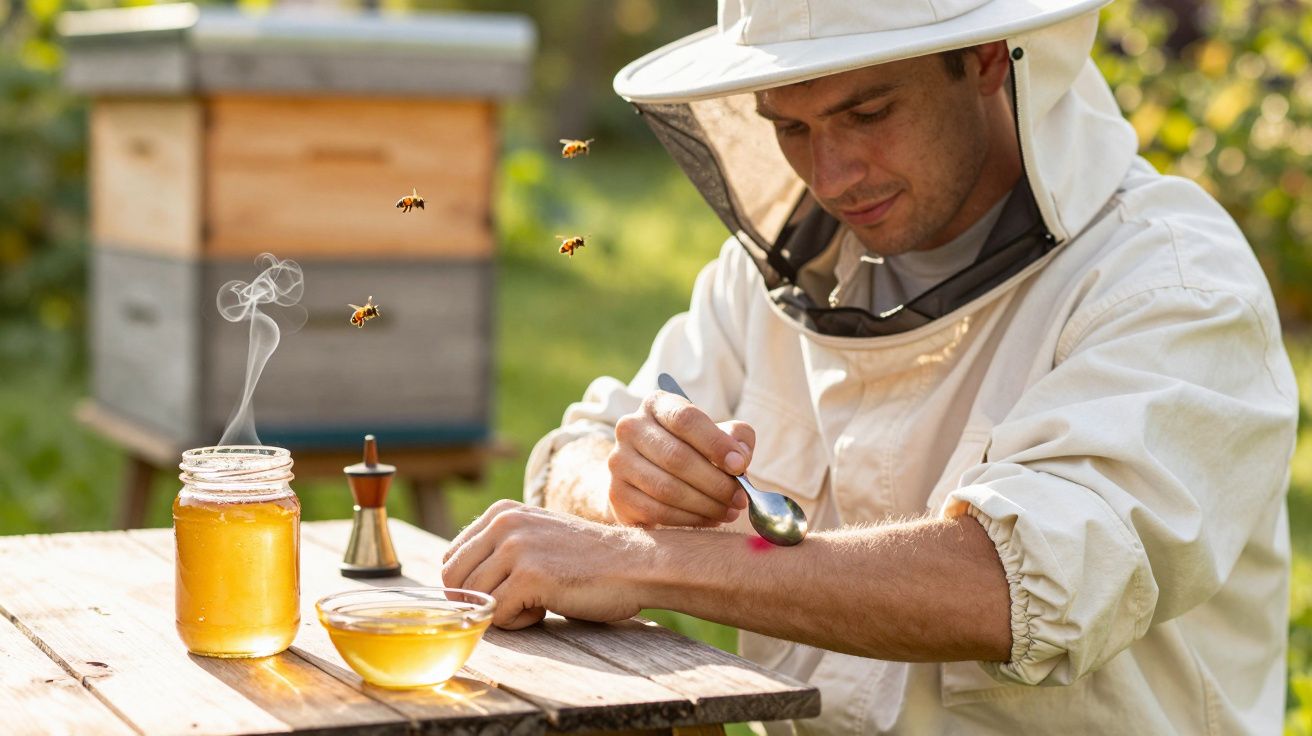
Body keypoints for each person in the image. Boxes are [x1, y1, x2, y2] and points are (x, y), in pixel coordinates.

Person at [441, 0, 1299, 732]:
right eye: (791, 127)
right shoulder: (775, 271)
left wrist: (640, 560)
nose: (832, 175)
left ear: (986, 59)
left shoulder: (1170, 283)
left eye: (869, 113)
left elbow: (1011, 585)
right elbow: (585, 446)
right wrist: (623, 487)